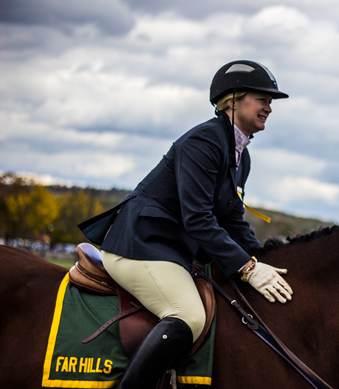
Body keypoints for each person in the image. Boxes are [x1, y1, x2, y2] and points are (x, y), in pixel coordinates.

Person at [78, 60, 294, 389]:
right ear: (233, 100)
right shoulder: (204, 141)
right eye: (262, 99)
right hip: (141, 247)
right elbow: (198, 218)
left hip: (169, 251)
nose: (269, 107)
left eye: (271, 102)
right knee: (190, 316)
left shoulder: (240, 155)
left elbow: (233, 220)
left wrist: (263, 258)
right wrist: (248, 268)